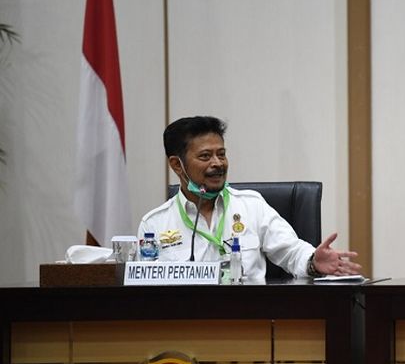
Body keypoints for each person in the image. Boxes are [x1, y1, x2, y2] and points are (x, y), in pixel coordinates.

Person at [137, 116, 361, 280]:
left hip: (250, 324)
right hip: (184, 327)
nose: (218, 163)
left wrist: (313, 262)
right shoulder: (155, 224)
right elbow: (143, 287)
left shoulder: (251, 206)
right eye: (205, 156)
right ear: (177, 165)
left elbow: (292, 251)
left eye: (221, 154)